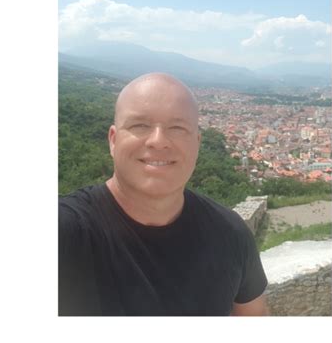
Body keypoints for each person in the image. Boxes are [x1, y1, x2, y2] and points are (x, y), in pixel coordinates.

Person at [59, 72, 268, 316]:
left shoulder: (231, 234)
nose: (158, 141)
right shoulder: (65, 232)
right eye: (140, 125)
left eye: (177, 128)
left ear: (197, 143)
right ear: (113, 141)